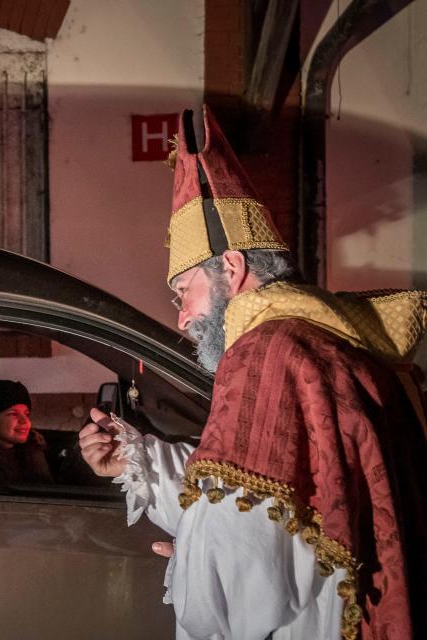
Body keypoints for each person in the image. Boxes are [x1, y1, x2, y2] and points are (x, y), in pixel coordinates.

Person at [79, 106, 427, 640]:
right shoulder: (316, 342)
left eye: (183, 291)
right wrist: (138, 458)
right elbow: (269, 495)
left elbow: (236, 568)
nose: (181, 316)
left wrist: (186, 559)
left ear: (232, 269)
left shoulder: (264, 355)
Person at [0, 378, 52, 484]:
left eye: (26, 414)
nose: (24, 421)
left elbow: (45, 487)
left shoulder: (32, 447)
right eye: (13, 414)